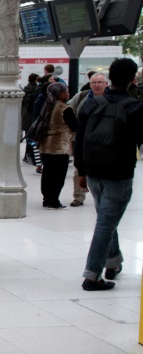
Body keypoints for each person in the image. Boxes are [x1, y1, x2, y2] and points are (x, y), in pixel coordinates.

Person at [74, 58, 143, 291]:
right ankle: (92, 275)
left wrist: (81, 171)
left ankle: (113, 262)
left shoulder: (92, 103)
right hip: (119, 174)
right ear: (132, 79)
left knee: (106, 219)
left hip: (93, 171)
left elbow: (80, 140)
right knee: (106, 223)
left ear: (109, 78)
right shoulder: (135, 108)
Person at [68, 72, 109, 207]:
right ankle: (78, 196)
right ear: (90, 84)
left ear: (106, 84)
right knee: (79, 168)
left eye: (100, 82)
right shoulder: (82, 96)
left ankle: (105, 195)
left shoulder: (111, 98)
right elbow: (68, 108)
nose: (97, 85)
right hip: (83, 138)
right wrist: (74, 125)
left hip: (105, 141)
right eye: (94, 83)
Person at [37, 81, 75, 209]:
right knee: (58, 176)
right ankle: (54, 201)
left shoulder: (47, 106)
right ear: (61, 94)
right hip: (60, 147)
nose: (68, 93)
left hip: (45, 146)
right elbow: (75, 126)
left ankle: (46, 199)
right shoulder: (65, 109)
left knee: (47, 174)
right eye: (66, 91)